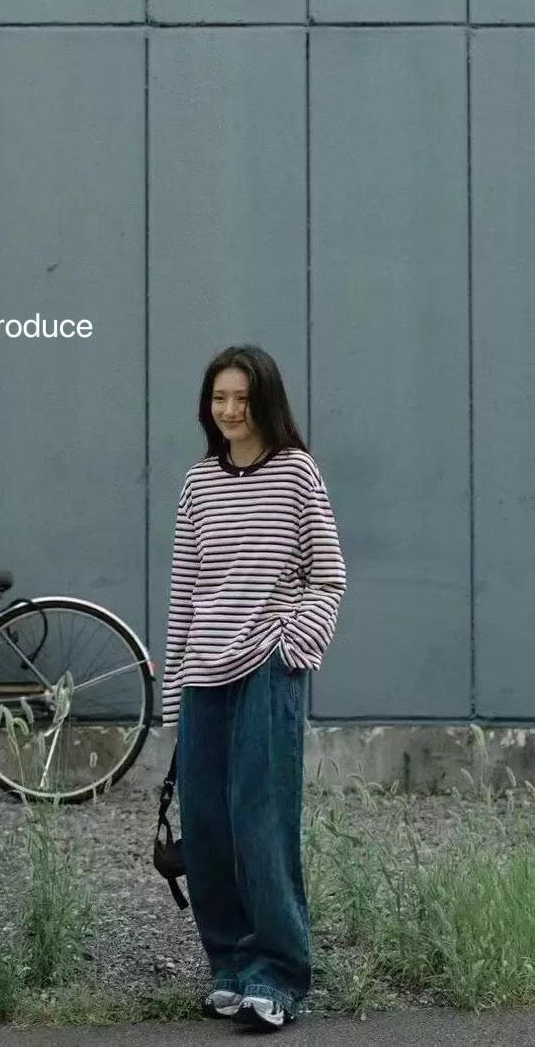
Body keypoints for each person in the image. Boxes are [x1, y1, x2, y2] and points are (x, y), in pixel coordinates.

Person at [162, 344, 347, 1032]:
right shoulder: (197, 482)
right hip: (203, 674)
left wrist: (294, 646)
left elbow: (328, 575)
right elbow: (185, 592)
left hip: (267, 667)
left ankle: (279, 974)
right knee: (208, 830)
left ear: (264, 400)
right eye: (219, 398)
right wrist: (173, 690)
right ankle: (232, 968)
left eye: (241, 398)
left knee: (261, 825)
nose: (230, 410)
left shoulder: (296, 473)